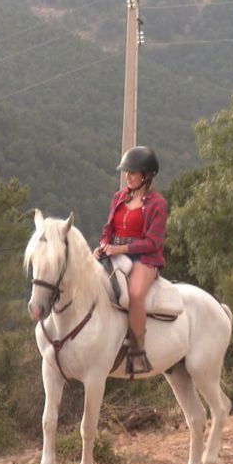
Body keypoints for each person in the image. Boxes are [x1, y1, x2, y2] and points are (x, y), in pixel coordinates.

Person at [95, 146, 167, 376]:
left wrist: (121, 247)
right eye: (127, 172)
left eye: (133, 172)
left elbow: (153, 242)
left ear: (147, 175)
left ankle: (138, 351)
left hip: (144, 258)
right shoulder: (119, 197)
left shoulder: (157, 204)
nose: (127, 176)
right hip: (115, 252)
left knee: (134, 295)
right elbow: (109, 228)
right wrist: (103, 245)